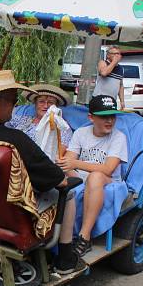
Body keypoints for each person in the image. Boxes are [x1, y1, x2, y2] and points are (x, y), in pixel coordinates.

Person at [55, 95, 128, 272]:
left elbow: (108, 169)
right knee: (57, 172)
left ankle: (84, 236)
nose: (109, 120)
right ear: (91, 118)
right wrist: (69, 168)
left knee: (95, 176)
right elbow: (68, 161)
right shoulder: (81, 133)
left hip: (108, 181)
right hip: (83, 178)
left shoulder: (118, 137)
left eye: (112, 116)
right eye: (104, 116)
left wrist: (76, 165)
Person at [6, 84, 73, 155]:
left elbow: (58, 154)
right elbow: (2, 122)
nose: (46, 106)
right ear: (35, 104)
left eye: (50, 102)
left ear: (56, 106)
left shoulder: (62, 127)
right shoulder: (23, 120)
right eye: (41, 101)